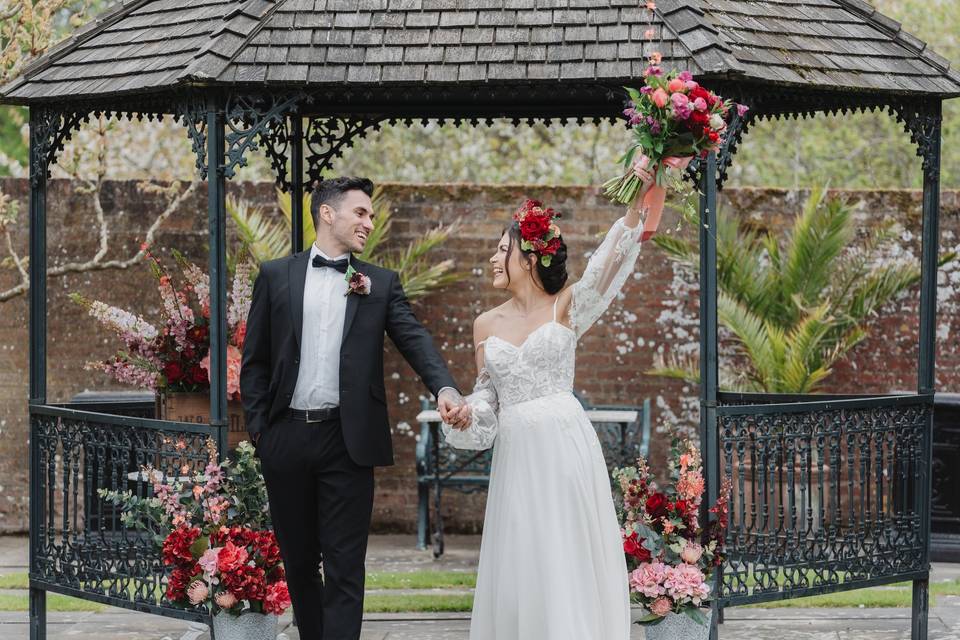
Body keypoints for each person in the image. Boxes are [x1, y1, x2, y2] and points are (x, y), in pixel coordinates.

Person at [240, 176, 469, 640]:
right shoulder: (275, 275)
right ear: (328, 213)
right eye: (360, 213)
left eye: (370, 214)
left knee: (345, 564)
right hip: (285, 438)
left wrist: (445, 388)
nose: (369, 221)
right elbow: (255, 362)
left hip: (348, 443)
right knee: (299, 562)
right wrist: (262, 432)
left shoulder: (380, 284)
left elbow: (415, 339)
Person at [442, 158, 659, 640]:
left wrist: (632, 207)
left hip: (564, 446)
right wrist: (465, 415)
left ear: (530, 255)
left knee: (565, 551)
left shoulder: (567, 306)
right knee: (524, 554)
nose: (494, 259)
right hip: (518, 453)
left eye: (503, 250)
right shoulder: (485, 324)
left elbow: (608, 265)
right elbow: (487, 400)